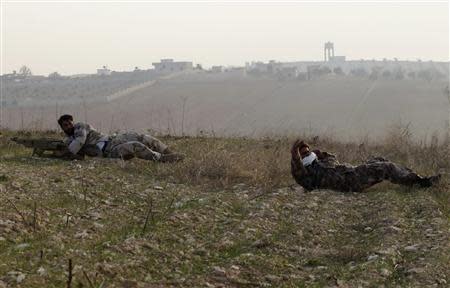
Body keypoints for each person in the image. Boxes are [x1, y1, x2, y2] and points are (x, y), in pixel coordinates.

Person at [290, 139, 440, 192]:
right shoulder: (306, 174)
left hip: (351, 173)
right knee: (386, 167)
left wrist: (321, 154)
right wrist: (295, 154)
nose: (306, 153)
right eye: (303, 152)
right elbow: (297, 168)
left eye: (307, 151)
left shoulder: (319, 162)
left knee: (378, 160)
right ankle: (420, 182)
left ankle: (410, 178)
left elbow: (333, 160)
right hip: (349, 181)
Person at [57, 114, 183, 162]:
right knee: (135, 145)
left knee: (143, 137)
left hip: (112, 140)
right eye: (65, 125)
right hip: (108, 151)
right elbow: (76, 153)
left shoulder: (80, 127)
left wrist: (67, 151)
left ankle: (170, 154)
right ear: (62, 128)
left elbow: (79, 141)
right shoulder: (69, 141)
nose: (68, 126)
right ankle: (162, 159)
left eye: (69, 123)